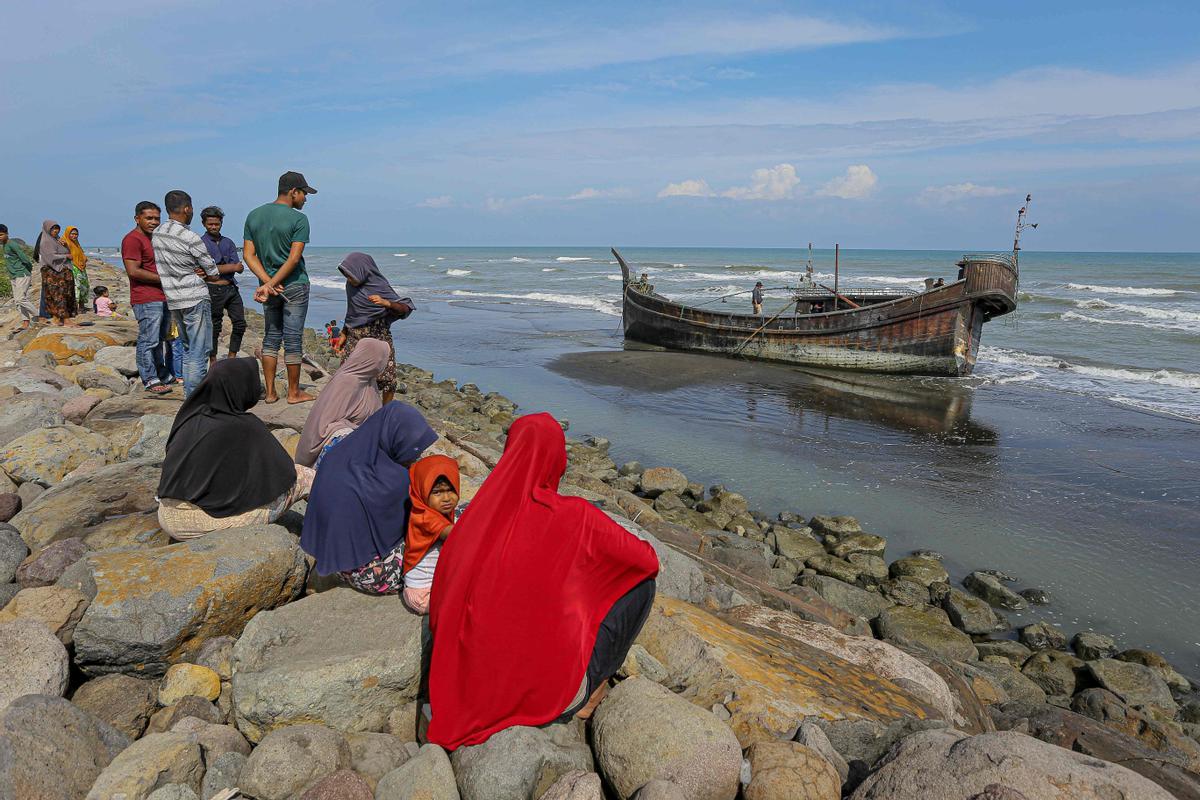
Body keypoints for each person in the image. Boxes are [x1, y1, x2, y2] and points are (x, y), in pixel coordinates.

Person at [427, 413, 659, 749]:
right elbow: (647, 561)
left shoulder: (471, 524)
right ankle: (589, 695)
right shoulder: (576, 517)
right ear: (556, 459)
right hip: (544, 696)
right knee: (641, 585)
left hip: (461, 695)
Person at [156, 358, 315, 540]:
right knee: (304, 477)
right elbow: (285, 471)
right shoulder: (244, 426)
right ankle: (329, 535)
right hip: (199, 524)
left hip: (166, 513)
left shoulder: (189, 416)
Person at [300, 403, 439, 594]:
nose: (417, 456)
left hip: (334, 562)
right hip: (374, 576)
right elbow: (416, 525)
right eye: (413, 449)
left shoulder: (339, 453)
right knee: (448, 521)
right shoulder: (393, 480)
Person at [244, 170, 317, 405]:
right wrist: (273, 284)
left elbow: (248, 255)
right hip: (294, 285)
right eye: (304, 193)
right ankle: (294, 393)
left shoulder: (254, 215)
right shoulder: (299, 220)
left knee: (271, 338)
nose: (306, 198)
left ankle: (271, 393)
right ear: (293, 192)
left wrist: (266, 283)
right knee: (293, 339)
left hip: (268, 287)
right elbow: (294, 259)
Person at [153, 190, 219, 398]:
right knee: (198, 352)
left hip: (174, 299)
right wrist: (201, 270)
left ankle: (190, 395)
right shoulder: (190, 237)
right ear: (187, 209)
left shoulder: (158, 232)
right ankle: (194, 399)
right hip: (195, 296)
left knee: (188, 347)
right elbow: (213, 271)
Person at [294, 338, 390, 468]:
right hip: (322, 455)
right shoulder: (347, 381)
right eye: (383, 358)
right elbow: (324, 428)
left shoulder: (370, 383)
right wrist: (359, 432)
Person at [336, 252, 413, 405]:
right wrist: (344, 332)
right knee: (349, 375)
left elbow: (405, 308)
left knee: (387, 378)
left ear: (363, 271)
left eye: (351, 275)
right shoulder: (350, 286)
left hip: (379, 336)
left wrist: (387, 303)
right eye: (347, 276)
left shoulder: (380, 286)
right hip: (355, 337)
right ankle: (350, 407)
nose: (349, 279)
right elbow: (352, 311)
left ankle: (384, 412)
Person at [122, 201, 174, 394]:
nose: (153, 222)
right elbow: (133, 271)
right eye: (149, 218)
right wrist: (166, 279)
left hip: (162, 296)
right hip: (146, 298)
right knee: (148, 339)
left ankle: (161, 372)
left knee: (160, 339)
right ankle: (149, 378)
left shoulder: (154, 238)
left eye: (157, 219)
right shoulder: (132, 239)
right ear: (137, 218)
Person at [402, 454, 460, 615]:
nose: (447, 498)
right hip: (423, 594)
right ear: (422, 491)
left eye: (451, 490)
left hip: (433, 584)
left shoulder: (436, 510)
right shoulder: (425, 517)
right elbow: (459, 534)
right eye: (437, 492)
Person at [199, 206, 247, 366]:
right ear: (204, 223)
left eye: (216, 224)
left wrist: (221, 268)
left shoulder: (228, 242)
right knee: (214, 326)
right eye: (210, 224)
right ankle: (212, 360)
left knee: (240, 323)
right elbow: (206, 269)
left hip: (231, 287)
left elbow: (239, 267)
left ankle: (232, 356)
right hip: (212, 289)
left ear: (221, 223)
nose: (213, 227)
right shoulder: (201, 243)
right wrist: (231, 267)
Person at [37, 220, 77, 326]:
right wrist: (66, 256)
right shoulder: (46, 241)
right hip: (51, 272)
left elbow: (67, 252)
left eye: (57, 228)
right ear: (47, 229)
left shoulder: (57, 240)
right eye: (53, 229)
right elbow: (50, 257)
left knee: (66, 293)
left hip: (60, 271)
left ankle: (61, 318)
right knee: (57, 295)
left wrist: (65, 246)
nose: (56, 231)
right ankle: (63, 318)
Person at [0, 225, 37, 330]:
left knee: (21, 298)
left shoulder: (12, 244)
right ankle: (25, 322)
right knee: (17, 301)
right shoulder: (4, 245)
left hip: (22, 274)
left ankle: (38, 315)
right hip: (13, 276)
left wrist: (27, 271)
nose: (0, 237)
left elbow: (25, 259)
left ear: (7, 234)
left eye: (1, 235)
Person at [60, 226, 90, 313]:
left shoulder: (77, 243)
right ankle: (75, 307)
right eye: (72, 234)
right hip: (72, 267)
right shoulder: (64, 242)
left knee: (84, 286)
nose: (75, 236)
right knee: (76, 286)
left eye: (76, 234)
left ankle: (81, 305)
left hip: (81, 267)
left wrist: (84, 259)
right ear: (68, 233)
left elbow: (80, 253)